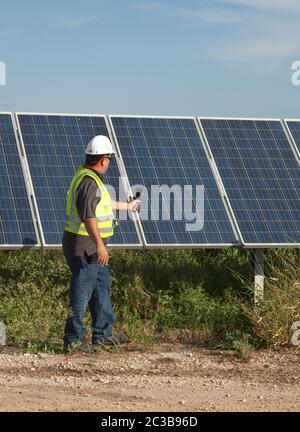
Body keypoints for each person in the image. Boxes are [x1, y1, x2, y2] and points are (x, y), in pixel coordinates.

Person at [62, 135, 140, 353]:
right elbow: (88, 216)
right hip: (85, 245)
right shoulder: (88, 182)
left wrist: (128, 206)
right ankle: (74, 340)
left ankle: (103, 335)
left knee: (101, 286)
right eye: (109, 159)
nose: (109, 163)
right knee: (82, 289)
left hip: (91, 246)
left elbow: (102, 204)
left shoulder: (92, 179)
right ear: (103, 159)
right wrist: (100, 245)